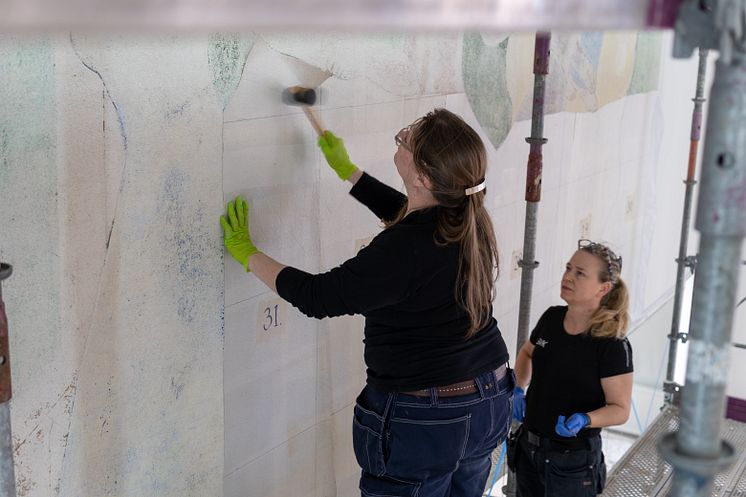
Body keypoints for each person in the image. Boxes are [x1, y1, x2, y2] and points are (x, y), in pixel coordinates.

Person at [220, 108, 513, 497]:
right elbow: (410, 219)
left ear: (424, 178)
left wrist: (247, 253)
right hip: (488, 401)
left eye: (407, 138)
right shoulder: (467, 218)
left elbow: (318, 296)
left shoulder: (404, 250)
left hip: (429, 419)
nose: (403, 135)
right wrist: (349, 172)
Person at [510, 239, 633, 497]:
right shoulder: (552, 317)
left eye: (580, 273)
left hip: (572, 463)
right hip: (529, 449)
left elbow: (620, 410)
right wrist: (518, 389)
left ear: (604, 288)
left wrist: (586, 420)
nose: (568, 277)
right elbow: (526, 353)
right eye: (568, 268)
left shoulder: (611, 343)